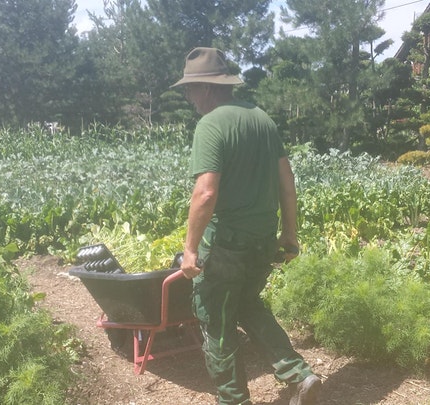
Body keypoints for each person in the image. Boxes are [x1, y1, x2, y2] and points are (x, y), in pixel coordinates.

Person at [171, 47, 321, 405]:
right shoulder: (262, 119)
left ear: (207, 88)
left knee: (217, 320)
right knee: (248, 304)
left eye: (190, 90)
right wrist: (290, 233)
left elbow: (205, 194)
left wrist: (190, 250)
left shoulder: (211, 124)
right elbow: (287, 181)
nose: (189, 98)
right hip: (261, 239)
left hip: (224, 245)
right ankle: (298, 374)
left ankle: (233, 400)